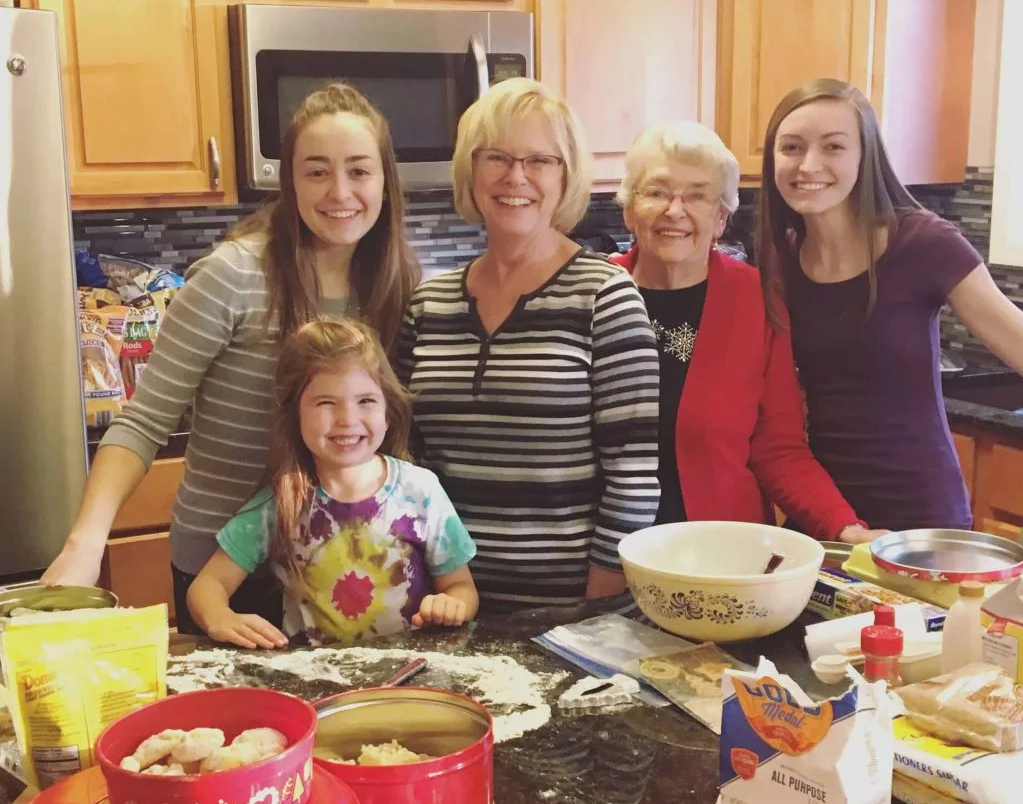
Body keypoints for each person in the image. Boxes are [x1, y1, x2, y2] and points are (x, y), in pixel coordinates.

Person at [42, 83, 421, 631]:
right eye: (317, 171)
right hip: (225, 575)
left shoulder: (396, 283)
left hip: (339, 566)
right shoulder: (233, 275)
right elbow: (144, 422)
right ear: (289, 182)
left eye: (359, 170)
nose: (340, 190)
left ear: (386, 180)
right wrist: (85, 544)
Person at [397, 77, 660, 610]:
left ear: (566, 177)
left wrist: (595, 609)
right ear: (470, 171)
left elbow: (632, 477)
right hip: (442, 603)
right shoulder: (428, 303)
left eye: (540, 160)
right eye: (496, 157)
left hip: (567, 607)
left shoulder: (604, 297)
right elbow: (405, 461)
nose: (515, 177)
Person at [757, 78, 1023, 532]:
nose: (809, 164)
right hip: (827, 514)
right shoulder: (780, 258)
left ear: (866, 156)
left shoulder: (923, 243)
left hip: (920, 513)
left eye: (834, 147)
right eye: (792, 147)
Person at [611, 120, 880, 543]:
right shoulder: (592, 293)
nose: (675, 211)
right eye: (657, 192)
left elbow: (778, 447)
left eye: (697, 195)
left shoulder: (754, 301)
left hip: (725, 557)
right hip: (606, 561)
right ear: (629, 208)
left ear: (721, 218)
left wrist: (845, 527)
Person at [187, 319, 478, 648]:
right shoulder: (282, 503)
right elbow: (207, 585)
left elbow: (462, 588)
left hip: (409, 678)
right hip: (320, 683)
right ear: (294, 414)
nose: (347, 419)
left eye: (366, 401)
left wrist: (451, 606)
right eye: (326, 402)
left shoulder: (421, 493)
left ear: (387, 411)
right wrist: (219, 617)